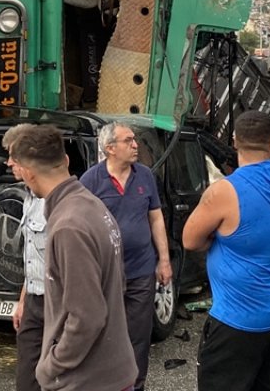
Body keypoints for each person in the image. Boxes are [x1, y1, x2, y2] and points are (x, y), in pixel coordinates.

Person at [1, 123, 137, 391]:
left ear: (27, 173)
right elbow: (117, 283)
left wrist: (51, 366)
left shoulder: (68, 225)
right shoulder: (90, 204)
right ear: (64, 160)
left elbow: (88, 316)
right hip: (111, 374)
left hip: (90, 380)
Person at [183, 110, 270, 391]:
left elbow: (190, 240)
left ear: (235, 141)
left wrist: (220, 240)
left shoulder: (224, 192)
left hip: (239, 321)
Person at [80, 123, 173, 390]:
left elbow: (155, 218)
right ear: (110, 148)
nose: (136, 145)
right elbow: (80, 224)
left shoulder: (144, 176)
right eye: (128, 141)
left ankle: (135, 385)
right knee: (105, 333)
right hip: (104, 274)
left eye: (135, 140)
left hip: (141, 271)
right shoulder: (90, 180)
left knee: (138, 335)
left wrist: (163, 260)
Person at [14, 187, 48, 391]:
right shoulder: (28, 199)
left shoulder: (56, 204)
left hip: (55, 300)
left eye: (13, 158)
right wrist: (22, 301)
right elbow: (32, 258)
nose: (9, 164)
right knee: (27, 375)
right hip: (33, 299)